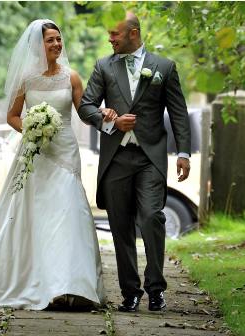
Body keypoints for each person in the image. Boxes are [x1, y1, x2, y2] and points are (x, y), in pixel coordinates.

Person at [0, 19, 107, 310]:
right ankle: (39, 281)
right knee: (37, 215)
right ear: (39, 45)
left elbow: (86, 112)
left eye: (58, 39)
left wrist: (106, 116)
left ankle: (72, 286)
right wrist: (32, 128)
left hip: (65, 152)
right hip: (36, 154)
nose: (56, 44)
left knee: (68, 213)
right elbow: (12, 116)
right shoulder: (26, 79)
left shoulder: (72, 77)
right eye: (50, 40)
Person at [78, 12, 191, 312]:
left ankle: (156, 289)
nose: (110, 39)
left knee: (153, 217)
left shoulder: (164, 67)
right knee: (120, 225)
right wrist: (109, 122)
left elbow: (178, 112)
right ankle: (131, 293)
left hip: (150, 157)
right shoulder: (103, 65)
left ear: (133, 33)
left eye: (115, 34)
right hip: (116, 159)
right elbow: (86, 106)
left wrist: (183, 153)